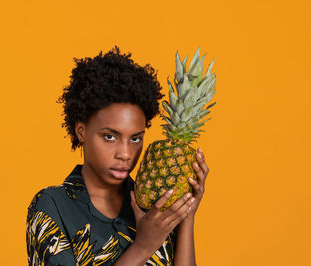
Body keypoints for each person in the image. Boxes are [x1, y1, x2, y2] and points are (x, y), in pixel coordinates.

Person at [26, 46, 209, 266]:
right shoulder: (52, 205)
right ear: (81, 131)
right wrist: (143, 246)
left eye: (135, 139)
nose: (125, 154)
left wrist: (186, 214)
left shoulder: (155, 205)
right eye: (110, 137)